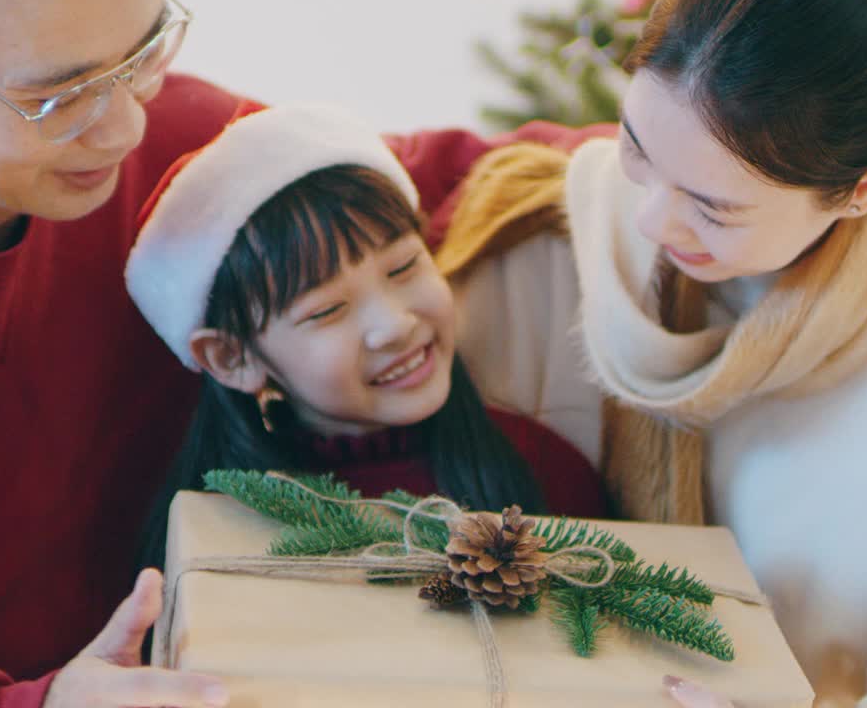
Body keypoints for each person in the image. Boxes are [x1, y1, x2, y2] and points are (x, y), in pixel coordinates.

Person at [0, 0, 867, 706]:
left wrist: (748, 175)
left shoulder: (143, 138)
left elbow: (424, 183)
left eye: (145, 51)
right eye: (64, 92)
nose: (127, 125)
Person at [436, 0, 867, 705]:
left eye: (713, 209)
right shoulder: (548, 230)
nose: (652, 219)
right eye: (636, 146)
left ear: (866, 192)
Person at [123, 102, 607, 573]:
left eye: (404, 267)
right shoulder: (214, 530)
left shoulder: (543, 468)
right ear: (232, 358)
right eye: (328, 310)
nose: (395, 325)